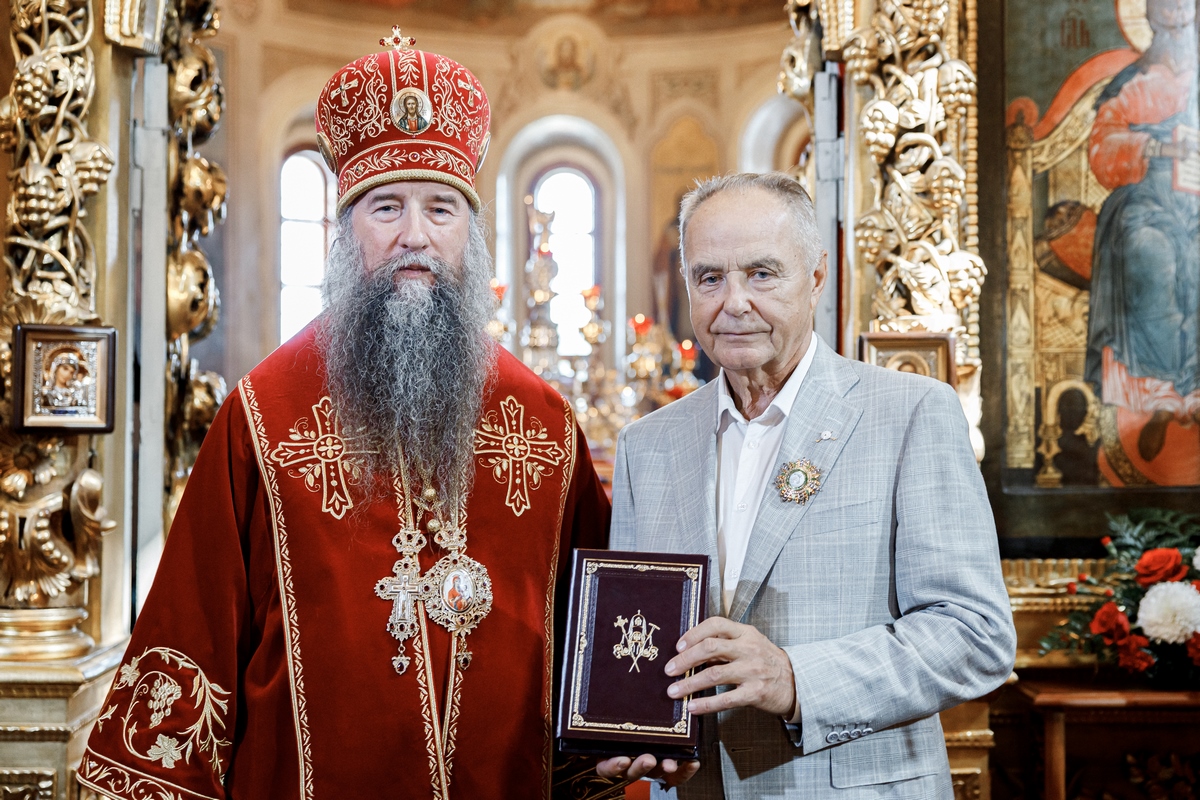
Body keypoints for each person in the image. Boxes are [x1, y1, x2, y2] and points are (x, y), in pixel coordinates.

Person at [79, 37, 611, 800]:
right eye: (387, 207)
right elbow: (191, 638)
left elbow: (596, 641)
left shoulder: (545, 424)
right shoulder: (263, 417)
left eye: (441, 208)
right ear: (344, 229)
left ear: (470, 234)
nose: (414, 235)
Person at [600, 173, 1015, 798]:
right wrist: (654, 741)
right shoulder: (647, 444)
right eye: (709, 278)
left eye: (762, 274)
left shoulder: (910, 414)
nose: (734, 302)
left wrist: (797, 679)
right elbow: (639, 638)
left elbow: (975, 634)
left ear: (816, 276)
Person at [1085, 0, 1199, 475]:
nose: (1175, 18)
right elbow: (1101, 148)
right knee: (1148, 253)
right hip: (1147, 202)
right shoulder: (1132, 83)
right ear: (1149, 18)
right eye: (1165, 9)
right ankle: (1165, 397)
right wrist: (1155, 146)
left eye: (1184, 10)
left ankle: (1193, 390)